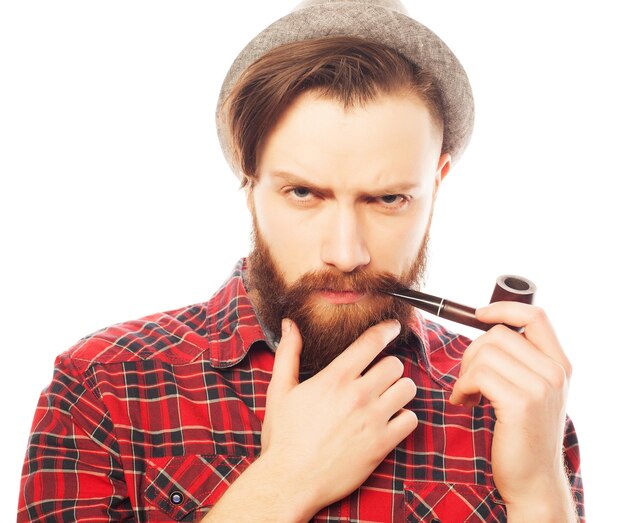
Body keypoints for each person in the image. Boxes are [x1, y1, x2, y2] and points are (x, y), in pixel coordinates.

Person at [18, 0, 584, 521]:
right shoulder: (105, 385)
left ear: (436, 184)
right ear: (250, 179)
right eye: (304, 194)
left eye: (388, 199)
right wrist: (284, 482)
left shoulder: (514, 405)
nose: (345, 253)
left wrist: (538, 489)